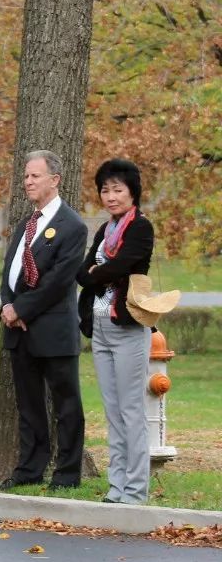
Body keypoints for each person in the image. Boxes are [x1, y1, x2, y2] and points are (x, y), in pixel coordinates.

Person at [0, 150, 88, 490]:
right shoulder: (26, 223)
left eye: (35, 176)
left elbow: (59, 281)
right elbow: (10, 273)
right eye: (26, 176)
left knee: (66, 405)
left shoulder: (73, 226)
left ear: (55, 180)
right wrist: (8, 306)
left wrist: (21, 309)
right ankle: (29, 469)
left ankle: (67, 474)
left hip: (53, 331)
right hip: (19, 332)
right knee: (29, 406)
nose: (28, 181)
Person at [76, 159, 156, 505]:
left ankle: (136, 490)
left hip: (128, 328)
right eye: (105, 190)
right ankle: (116, 486)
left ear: (132, 192)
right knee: (112, 411)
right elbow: (82, 272)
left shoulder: (140, 227)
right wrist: (98, 271)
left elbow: (124, 265)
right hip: (101, 328)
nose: (110, 196)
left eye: (117, 189)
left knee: (131, 410)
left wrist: (99, 270)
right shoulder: (104, 230)